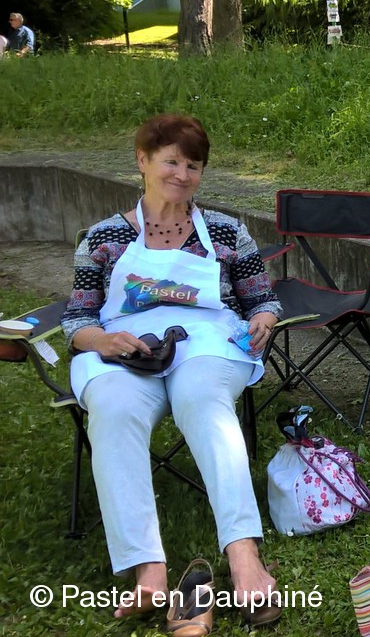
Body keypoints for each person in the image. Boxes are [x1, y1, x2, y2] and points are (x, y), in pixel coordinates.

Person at [61, 114, 283, 630]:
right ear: (142, 161)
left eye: (193, 165)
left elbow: (262, 299)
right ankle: (148, 570)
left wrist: (265, 321)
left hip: (208, 343)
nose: (182, 175)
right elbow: (76, 319)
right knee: (113, 408)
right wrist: (102, 341)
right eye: (171, 162)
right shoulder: (102, 237)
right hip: (126, 347)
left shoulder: (226, 231)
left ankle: (244, 556)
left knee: (202, 400)